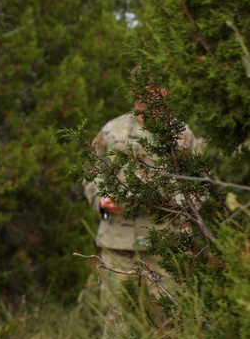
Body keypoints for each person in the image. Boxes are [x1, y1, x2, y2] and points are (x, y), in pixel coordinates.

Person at [84, 85, 203, 311]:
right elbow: (91, 174)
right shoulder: (112, 131)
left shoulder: (181, 134)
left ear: (165, 90)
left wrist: (174, 203)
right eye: (140, 86)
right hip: (119, 244)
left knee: (170, 323)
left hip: (168, 245)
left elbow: (200, 184)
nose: (146, 93)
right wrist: (102, 200)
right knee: (117, 322)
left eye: (153, 86)